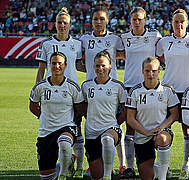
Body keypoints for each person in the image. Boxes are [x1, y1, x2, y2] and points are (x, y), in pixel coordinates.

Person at [35, 7, 84, 178]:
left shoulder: (76, 44)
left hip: (72, 91)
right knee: (54, 127)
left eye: (65, 23)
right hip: (52, 90)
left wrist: (101, 71)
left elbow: (78, 66)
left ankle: (78, 166)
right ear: (54, 24)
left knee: (77, 127)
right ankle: (64, 160)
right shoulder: (46, 44)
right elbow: (41, 68)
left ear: (70, 25)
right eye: (59, 23)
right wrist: (38, 90)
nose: (62, 25)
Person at [79, 2, 127, 175]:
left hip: (112, 88)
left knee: (115, 124)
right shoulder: (85, 39)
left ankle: (122, 164)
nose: (98, 22)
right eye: (95, 19)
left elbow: (122, 54)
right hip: (92, 89)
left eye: (101, 19)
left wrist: (108, 67)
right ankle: (94, 163)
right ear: (91, 21)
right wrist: (91, 70)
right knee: (93, 124)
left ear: (107, 21)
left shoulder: (115, 38)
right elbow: (78, 62)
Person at [120, 7, 162, 178]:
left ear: (146, 20)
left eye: (140, 19)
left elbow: (162, 54)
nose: (137, 22)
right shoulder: (124, 38)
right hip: (130, 85)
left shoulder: (155, 36)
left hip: (150, 86)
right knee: (130, 127)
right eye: (134, 19)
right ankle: (129, 167)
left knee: (154, 124)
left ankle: (158, 165)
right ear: (130, 21)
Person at [29, 52, 84, 180]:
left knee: (64, 145)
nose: (57, 66)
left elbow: (80, 109)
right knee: (47, 177)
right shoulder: (40, 87)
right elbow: (32, 106)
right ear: (49, 65)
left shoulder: (72, 87)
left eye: (60, 63)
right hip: (45, 132)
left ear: (65, 66)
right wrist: (44, 117)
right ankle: (69, 161)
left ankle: (63, 175)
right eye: (54, 63)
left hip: (66, 127)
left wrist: (70, 122)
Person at [156, 8, 189, 179]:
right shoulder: (164, 42)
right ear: (171, 24)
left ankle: (185, 167)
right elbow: (154, 58)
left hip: (188, 91)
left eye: (182, 21)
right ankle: (163, 167)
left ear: (187, 23)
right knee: (162, 129)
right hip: (168, 92)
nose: (179, 24)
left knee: (188, 130)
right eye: (176, 22)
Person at [125, 57, 179, 180]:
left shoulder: (167, 90)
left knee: (163, 138)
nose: (150, 74)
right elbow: (130, 119)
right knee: (147, 177)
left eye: (154, 70)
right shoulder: (135, 91)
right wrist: (146, 132)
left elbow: (174, 115)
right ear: (142, 71)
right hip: (142, 135)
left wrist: (161, 127)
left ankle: (163, 175)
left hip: (162, 131)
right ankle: (159, 166)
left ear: (159, 71)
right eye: (147, 71)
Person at [81, 51, 126, 180]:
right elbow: (83, 108)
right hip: (91, 132)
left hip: (111, 128)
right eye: (97, 66)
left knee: (107, 139)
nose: (100, 69)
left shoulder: (118, 86)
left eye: (103, 66)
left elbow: (125, 110)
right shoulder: (86, 86)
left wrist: (116, 123)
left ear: (110, 66)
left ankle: (108, 175)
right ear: (93, 67)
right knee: (96, 176)